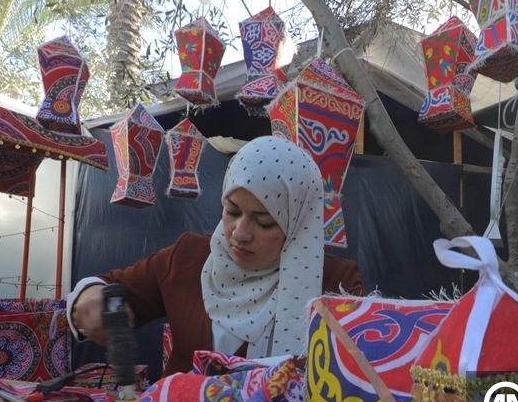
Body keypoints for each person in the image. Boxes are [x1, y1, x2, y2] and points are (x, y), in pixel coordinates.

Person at [67, 135, 365, 377]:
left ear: (298, 223)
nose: (240, 233)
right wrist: (91, 298)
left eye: (264, 221)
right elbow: (112, 288)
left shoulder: (335, 286)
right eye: (232, 211)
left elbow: (358, 383)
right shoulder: (188, 258)